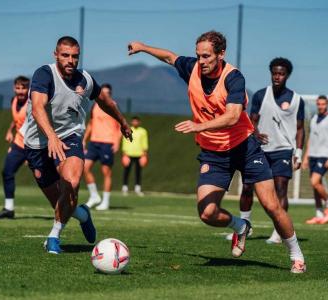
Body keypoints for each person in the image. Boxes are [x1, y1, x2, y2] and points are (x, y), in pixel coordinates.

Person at [128, 31, 306, 273]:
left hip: (244, 147)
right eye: (198, 56)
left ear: (221, 54)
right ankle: (241, 227)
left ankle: (296, 254)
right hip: (213, 153)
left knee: (271, 205)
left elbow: (233, 116)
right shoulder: (192, 68)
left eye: (207, 56)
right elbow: (170, 57)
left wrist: (197, 126)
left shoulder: (234, 78)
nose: (201, 61)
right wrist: (142, 46)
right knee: (207, 213)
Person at [23, 36, 132, 254]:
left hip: (69, 137)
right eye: (65, 55)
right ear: (56, 55)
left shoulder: (85, 80)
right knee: (62, 202)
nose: (70, 60)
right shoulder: (45, 74)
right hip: (36, 143)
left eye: (75, 56)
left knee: (71, 183)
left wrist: (122, 121)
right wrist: (51, 137)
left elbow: (105, 101)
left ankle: (54, 236)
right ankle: (83, 214)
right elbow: (37, 108)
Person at [235, 58, 305, 244]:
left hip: (283, 150)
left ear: (287, 75)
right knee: (247, 187)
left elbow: (300, 128)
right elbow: (251, 121)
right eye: (274, 73)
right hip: (259, 151)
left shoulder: (297, 100)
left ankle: (278, 231)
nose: (277, 76)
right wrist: (255, 133)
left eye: (281, 73)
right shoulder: (260, 95)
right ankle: (245, 227)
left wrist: (298, 153)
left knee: (280, 189)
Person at [0, 76, 30, 219]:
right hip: (19, 144)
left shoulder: (32, 103)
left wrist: (31, 154)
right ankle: (9, 209)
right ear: (14, 88)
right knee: (7, 172)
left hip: (34, 146)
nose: (20, 91)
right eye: (18, 88)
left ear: (28, 89)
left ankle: (65, 208)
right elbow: (17, 120)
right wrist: (10, 130)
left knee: (47, 179)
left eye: (23, 88)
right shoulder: (13, 101)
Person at [83, 83, 122, 210]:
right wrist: (84, 139)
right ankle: (94, 196)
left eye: (108, 93)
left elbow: (120, 126)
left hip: (108, 142)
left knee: (106, 172)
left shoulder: (113, 106)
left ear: (111, 94)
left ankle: (105, 201)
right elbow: (91, 123)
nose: (105, 95)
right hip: (94, 142)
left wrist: (117, 142)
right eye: (103, 92)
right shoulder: (95, 105)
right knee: (85, 167)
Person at [303, 95, 328, 224]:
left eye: (323, 104)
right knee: (315, 186)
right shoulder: (313, 118)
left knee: (315, 182)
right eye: (319, 104)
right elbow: (310, 139)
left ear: (327, 104)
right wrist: (306, 157)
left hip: (324, 156)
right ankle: (319, 213)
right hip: (312, 155)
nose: (321, 106)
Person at [121, 116, 149, 196]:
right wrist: (124, 155)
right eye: (134, 121)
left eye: (137, 121)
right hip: (128, 154)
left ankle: (137, 189)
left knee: (138, 172)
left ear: (139, 122)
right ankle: (125, 188)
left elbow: (145, 143)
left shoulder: (143, 131)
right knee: (127, 172)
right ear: (131, 122)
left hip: (139, 155)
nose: (135, 122)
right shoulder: (128, 129)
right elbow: (125, 141)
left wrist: (144, 155)